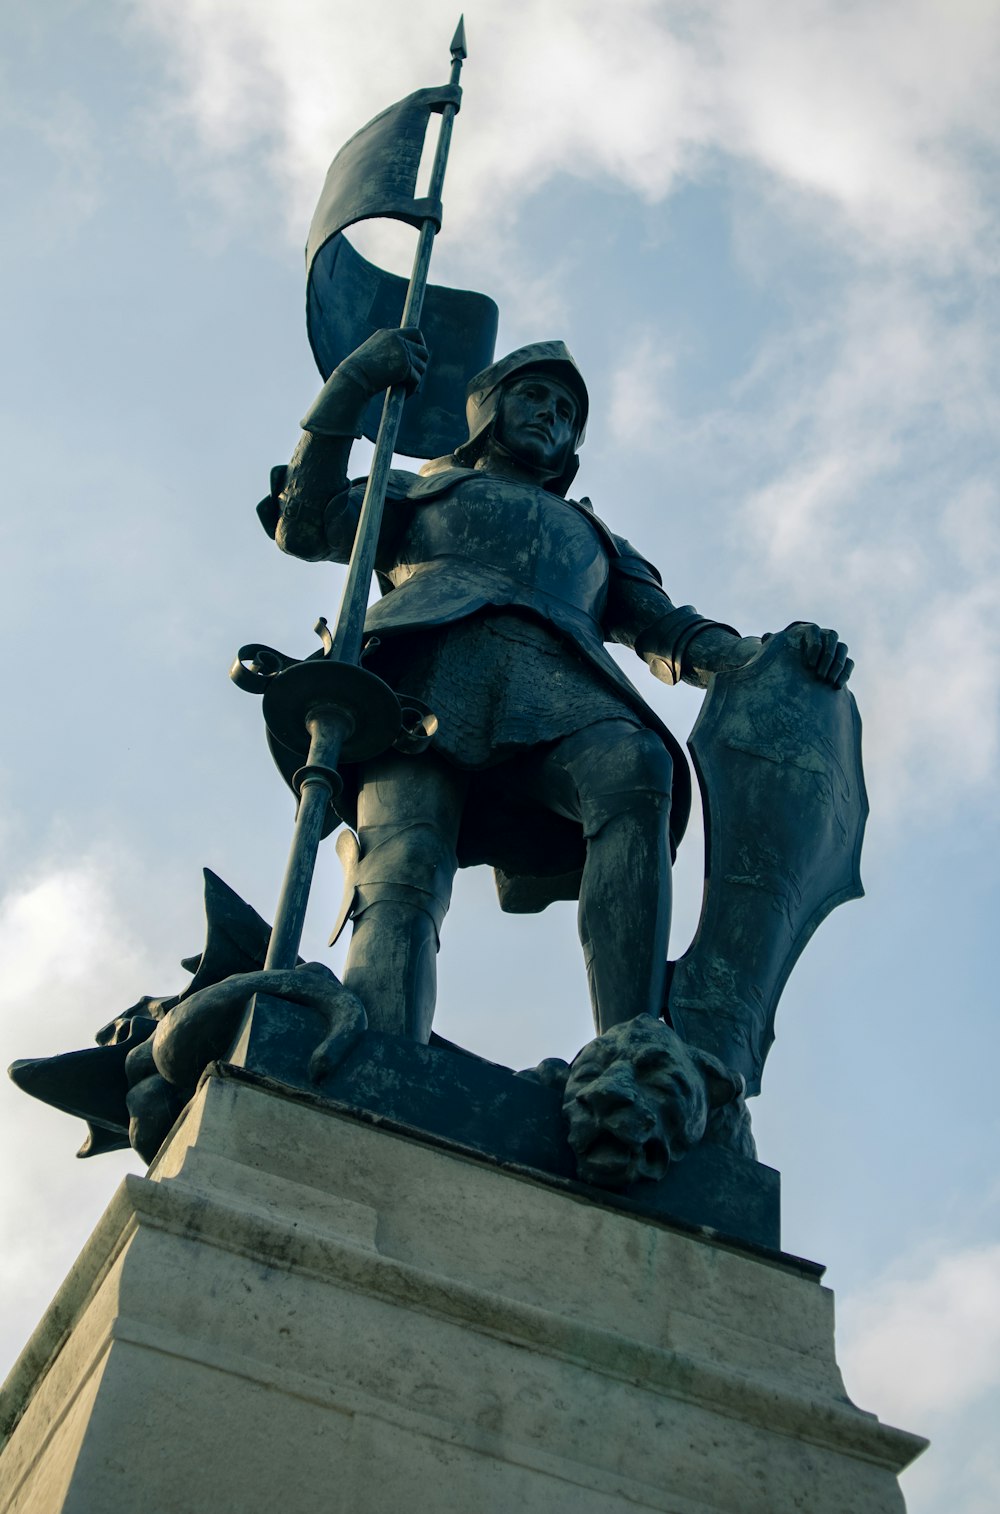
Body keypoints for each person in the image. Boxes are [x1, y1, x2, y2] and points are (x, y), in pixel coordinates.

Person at [258, 328, 851, 1046]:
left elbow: (673, 634)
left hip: (560, 686)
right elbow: (307, 521)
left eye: (566, 411)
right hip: (421, 673)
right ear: (488, 413)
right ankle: (381, 1046)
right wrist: (351, 384)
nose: (550, 414)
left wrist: (771, 659)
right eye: (534, 396)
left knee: (637, 766)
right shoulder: (418, 487)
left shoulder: (594, 540)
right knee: (407, 859)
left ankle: (631, 1044)